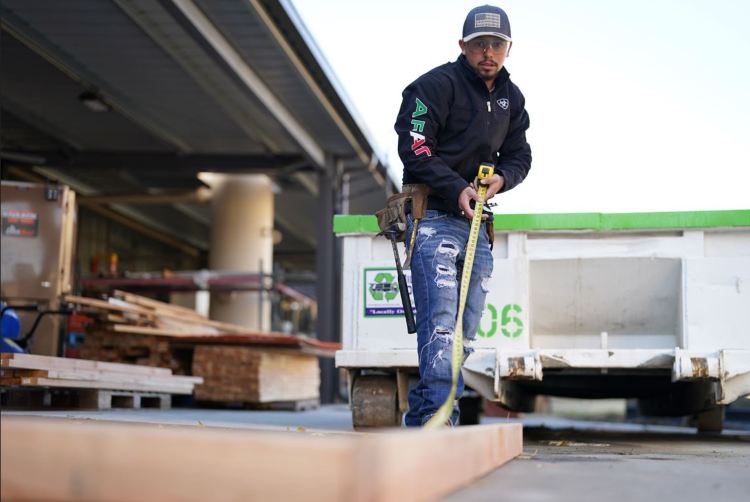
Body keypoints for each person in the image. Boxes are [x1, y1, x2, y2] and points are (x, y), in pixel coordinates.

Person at [394, 4, 532, 426]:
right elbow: (414, 147)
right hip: (434, 219)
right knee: (440, 331)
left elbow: (520, 153)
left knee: (463, 336)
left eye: (496, 44)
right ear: (463, 46)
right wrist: (458, 188)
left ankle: (422, 425)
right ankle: (438, 427)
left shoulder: (512, 98)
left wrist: (502, 179)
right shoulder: (432, 86)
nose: (487, 52)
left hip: (476, 226)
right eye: (478, 44)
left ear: (509, 48)